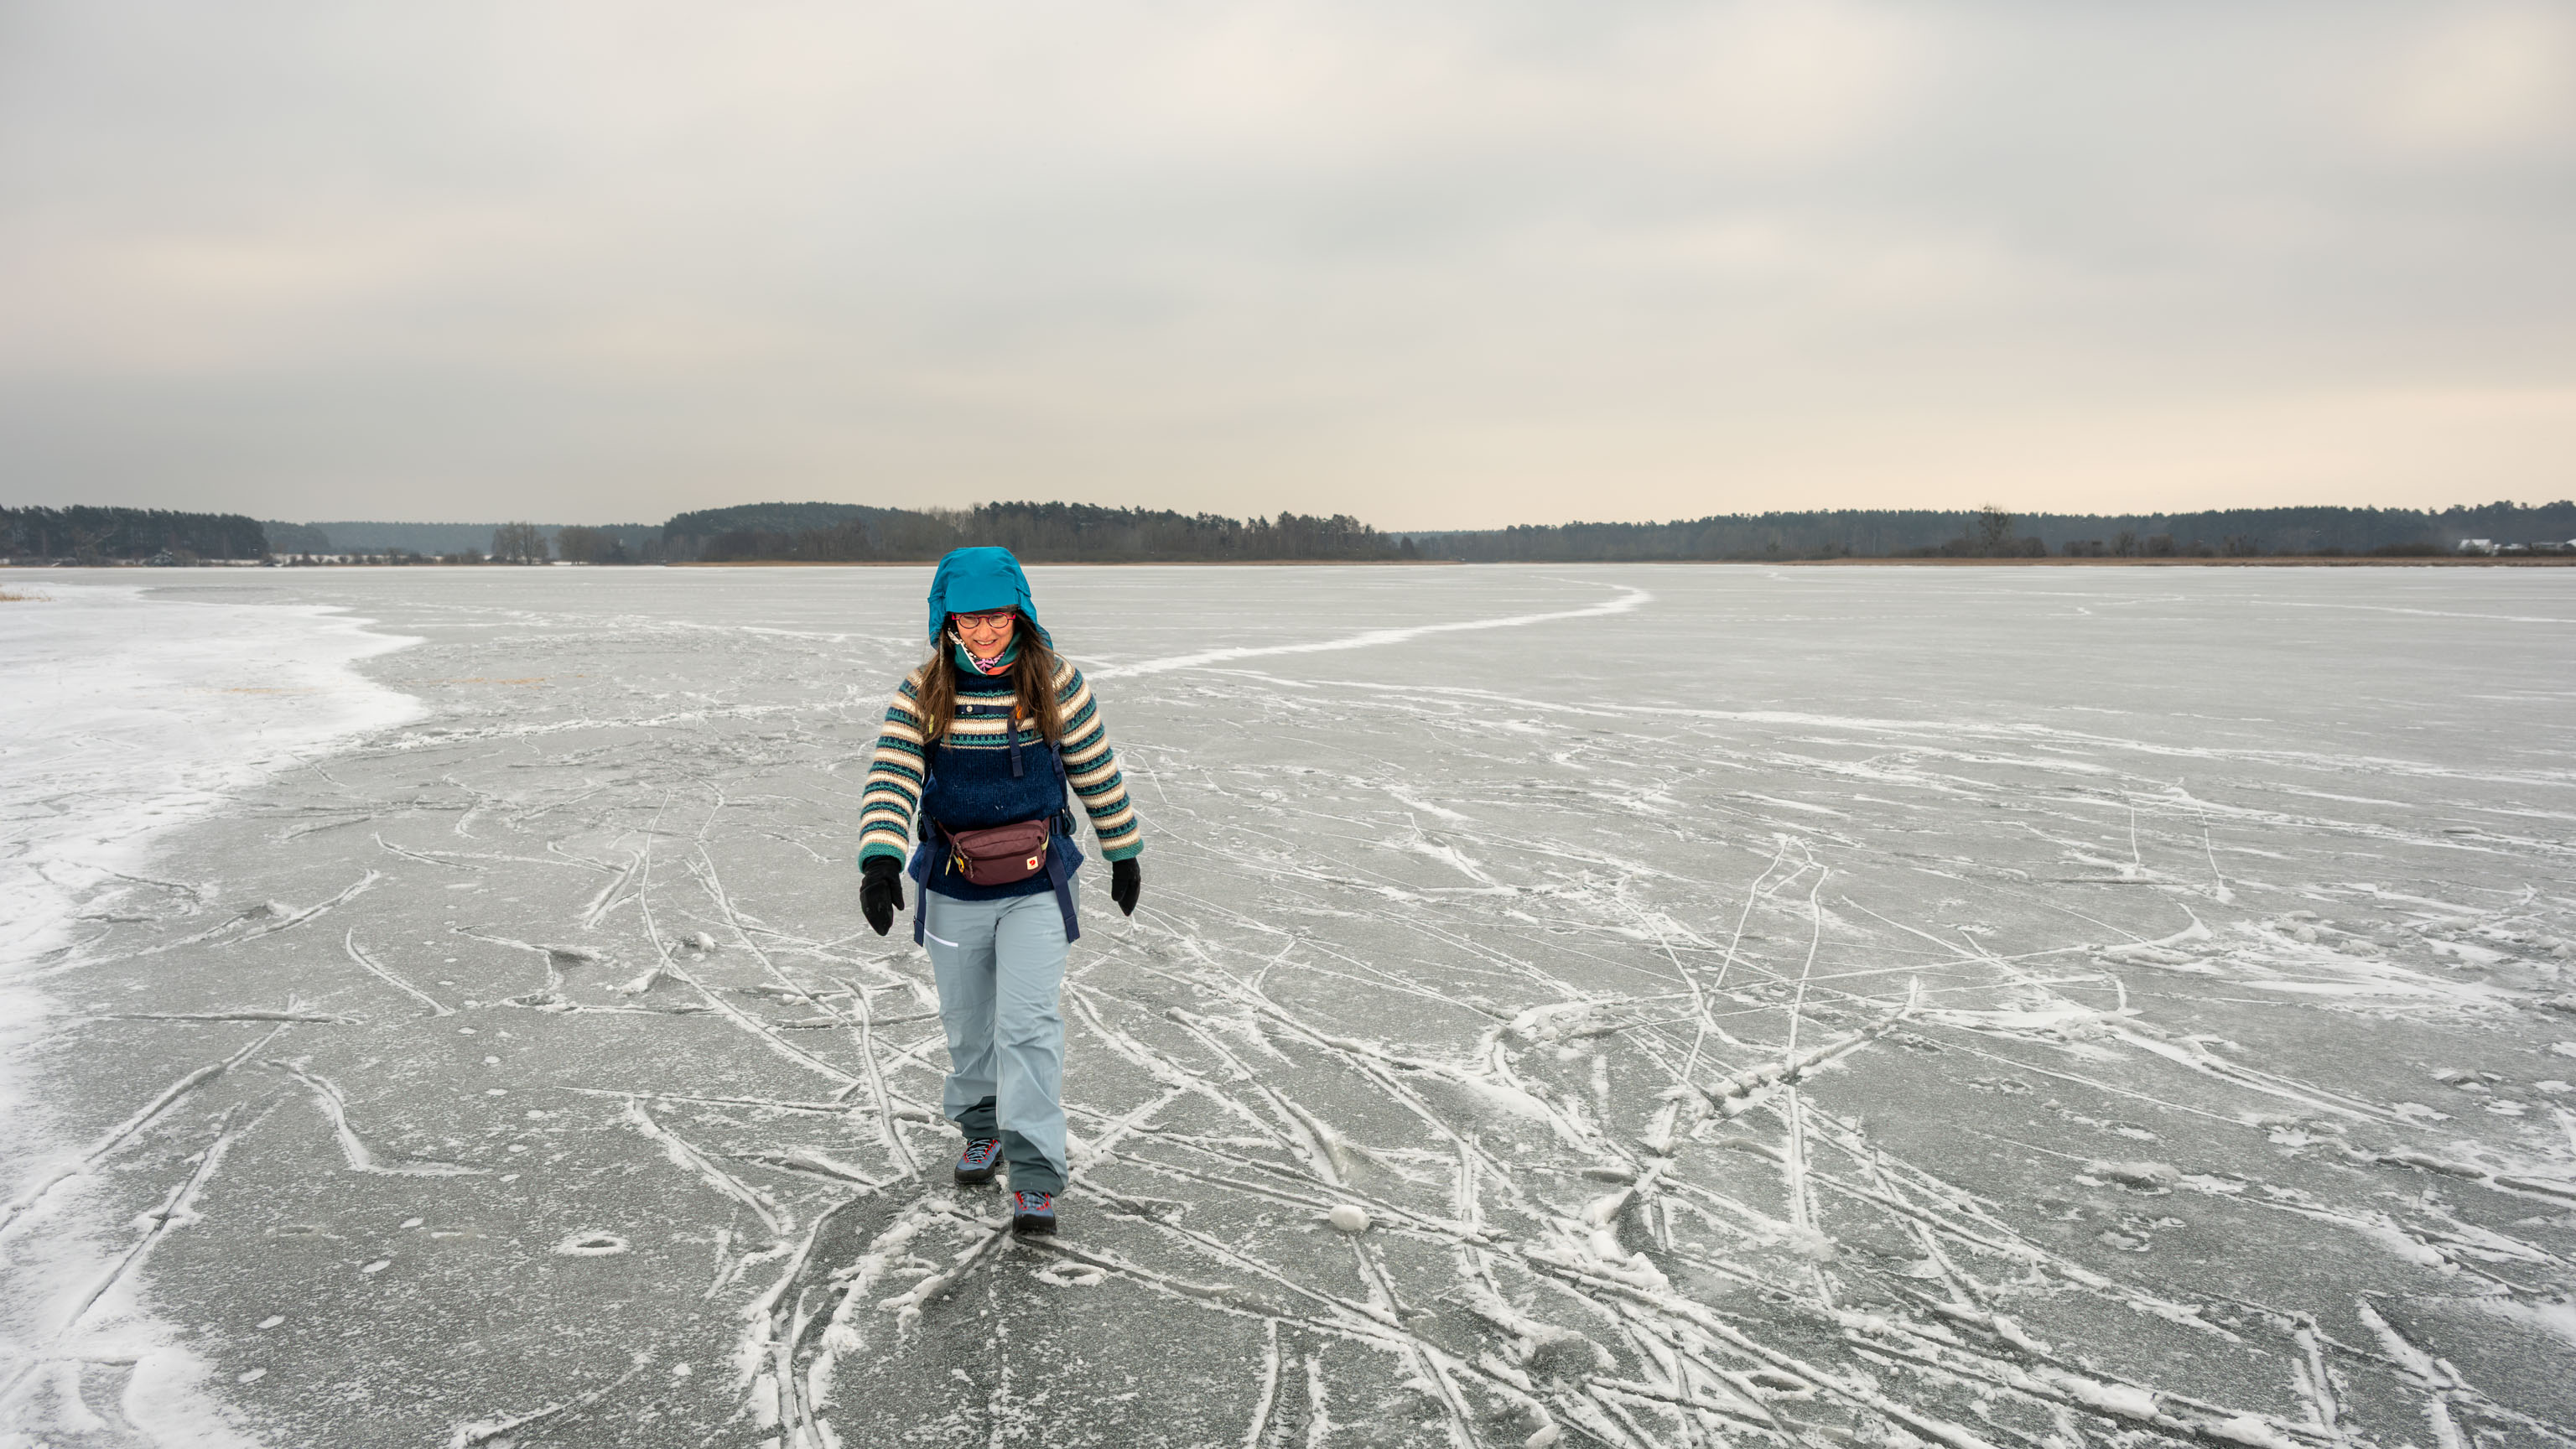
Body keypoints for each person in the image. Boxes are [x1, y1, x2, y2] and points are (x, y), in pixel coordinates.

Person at [855, 547, 1142, 1235]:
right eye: (969, 620)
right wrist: (880, 861)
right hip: (953, 885)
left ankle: (1036, 1172)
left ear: (1020, 613)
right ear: (946, 619)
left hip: (1036, 884)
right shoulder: (924, 691)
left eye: (997, 617)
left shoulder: (1056, 684)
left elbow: (1095, 769)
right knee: (969, 1025)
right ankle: (980, 1127)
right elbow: (893, 776)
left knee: (1028, 1025)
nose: (985, 633)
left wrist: (1123, 849)